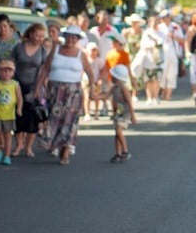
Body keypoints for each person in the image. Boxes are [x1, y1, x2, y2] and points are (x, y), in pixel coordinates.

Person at [36, 24, 96, 165]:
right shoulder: (55, 50)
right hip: (55, 90)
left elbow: (90, 73)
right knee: (54, 118)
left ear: (78, 39)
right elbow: (45, 69)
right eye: (69, 36)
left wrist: (92, 89)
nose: (71, 40)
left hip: (73, 92)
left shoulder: (81, 54)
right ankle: (53, 143)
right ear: (65, 37)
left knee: (69, 122)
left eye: (74, 37)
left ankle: (65, 152)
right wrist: (38, 87)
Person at [12, 23, 47, 157]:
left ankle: (28, 147)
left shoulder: (42, 50)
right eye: (37, 35)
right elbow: (11, 63)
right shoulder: (19, 47)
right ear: (31, 34)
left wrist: (43, 87)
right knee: (17, 117)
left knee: (32, 118)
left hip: (34, 87)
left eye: (42, 36)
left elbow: (45, 70)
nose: (39, 38)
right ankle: (19, 143)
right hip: (17, 85)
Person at [0, 58, 22, 165]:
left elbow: (20, 98)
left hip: (9, 114)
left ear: (13, 73)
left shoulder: (15, 84)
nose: (6, 73)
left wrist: (19, 108)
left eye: (9, 71)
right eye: (3, 70)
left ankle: (7, 155)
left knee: (7, 135)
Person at [107, 64, 137, 163]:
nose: (111, 77)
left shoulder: (123, 88)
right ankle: (118, 154)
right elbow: (105, 95)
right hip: (117, 113)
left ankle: (125, 151)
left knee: (119, 130)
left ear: (117, 78)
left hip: (124, 113)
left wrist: (133, 115)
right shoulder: (114, 88)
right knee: (116, 133)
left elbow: (129, 101)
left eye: (113, 76)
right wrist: (94, 96)